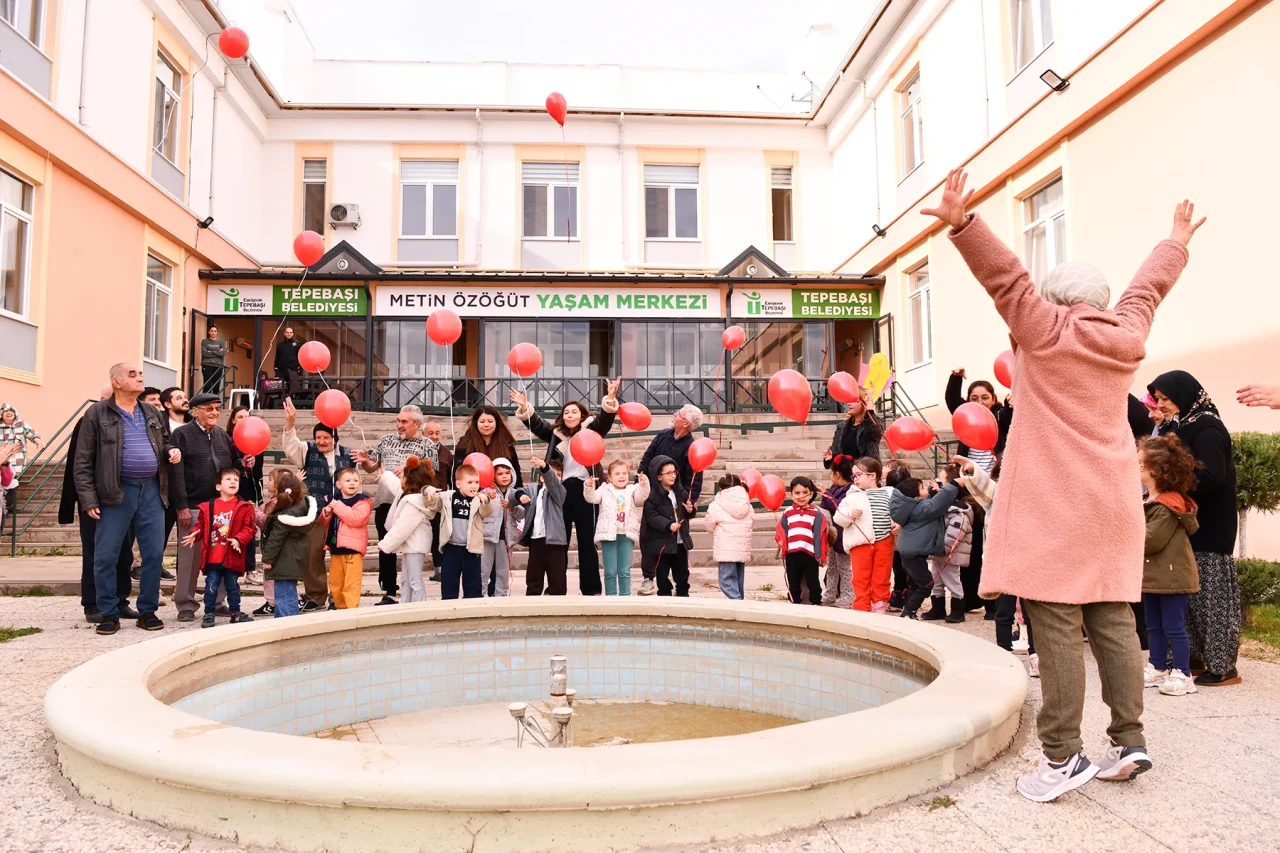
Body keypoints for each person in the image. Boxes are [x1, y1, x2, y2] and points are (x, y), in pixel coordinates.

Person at [923, 167, 1204, 801]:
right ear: (1100, 302)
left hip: (1054, 506)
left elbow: (1006, 279)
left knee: (1053, 628)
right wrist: (1177, 240)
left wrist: (964, 222)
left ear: (1053, 301)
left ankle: (1063, 757)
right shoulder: (1126, 337)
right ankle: (1130, 740)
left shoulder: (1043, 331)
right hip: (1111, 506)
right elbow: (1147, 290)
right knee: (1113, 623)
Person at [72, 363, 180, 635]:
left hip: (152, 491)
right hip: (114, 493)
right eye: (132, 374)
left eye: (140, 374)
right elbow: (82, 460)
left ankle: (147, 611)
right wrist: (88, 498)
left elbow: (164, 440)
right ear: (116, 382)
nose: (140, 377)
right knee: (105, 556)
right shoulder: (96, 414)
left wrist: (171, 450)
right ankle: (108, 613)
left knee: (154, 553)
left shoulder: (152, 412)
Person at [1148, 370, 1240, 687]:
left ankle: (1223, 665)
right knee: (1191, 596)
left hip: (1212, 523)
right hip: (1189, 520)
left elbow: (1212, 473)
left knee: (1213, 599)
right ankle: (1197, 657)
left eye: (1165, 398)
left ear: (1184, 395)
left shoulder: (1207, 426)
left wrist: (1173, 489)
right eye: (1157, 399)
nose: (1161, 405)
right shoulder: (1184, 425)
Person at [512, 379, 622, 596]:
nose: (570, 415)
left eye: (574, 412)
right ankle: (556, 587)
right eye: (566, 412)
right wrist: (525, 407)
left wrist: (609, 399)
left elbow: (604, 421)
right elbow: (538, 425)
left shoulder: (591, 430)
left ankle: (590, 588)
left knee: (586, 541)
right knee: (557, 542)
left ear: (582, 415)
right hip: (559, 492)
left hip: (585, 490)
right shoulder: (556, 434)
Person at [60, 383, 138, 623]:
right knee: (96, 554)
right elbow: (78, 465)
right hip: (96, 500)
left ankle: (120, 600)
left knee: (124, 553)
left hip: (123, 497)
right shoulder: (88, 423)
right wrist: (86, 500)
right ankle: (92, 604)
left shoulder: (126, 422)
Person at [954, 455, 1037, 674]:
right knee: (1004, 610)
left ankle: (1036, 655)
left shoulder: (1031, 494)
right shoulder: (995, 497)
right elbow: (990, 487)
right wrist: (973, 470)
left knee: (1031, 612)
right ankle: (1004, 652)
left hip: (1029, 559)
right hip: (1004, 560)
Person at [1138, 435, 1201, 697]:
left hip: (1173, 577)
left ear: (1157, 470)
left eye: (1140, 464)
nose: (1135, 467)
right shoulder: (1148, 499)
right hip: (1154, 576)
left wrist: (1124, 529)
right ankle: (1158, 665)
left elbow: (1150, 540)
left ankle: (1183, 673)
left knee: (1173, 626)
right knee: (1153, 624)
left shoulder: (1166, 505)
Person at [355, 404, 437, 605]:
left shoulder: (427, 444)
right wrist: (365, 461)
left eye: (404, 421)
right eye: (398, 420)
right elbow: (372, 467)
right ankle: (389, 591)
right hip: (386, 502)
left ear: (416, 424)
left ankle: (414, 598)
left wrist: (410, 469)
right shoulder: (386, 440)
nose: (399, 425)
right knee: (387, 547)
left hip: (412, 504)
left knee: (410, 549)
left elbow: (431, 472)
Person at [282, 398, 354, 611]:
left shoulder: (348, 454)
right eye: (318, 437)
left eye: (326, 437)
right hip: (314, 513)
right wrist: (290, 423)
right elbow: (290, 446)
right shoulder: (307, 450)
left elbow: (358, 476)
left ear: (335, 438)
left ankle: (338, 597)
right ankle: (315, 596)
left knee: (340, 558)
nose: (321, 441)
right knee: (313, 555)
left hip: (341, 514)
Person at [171, 393, 238, 622]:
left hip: (220, 507)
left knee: (219, 554)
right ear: (195, 410)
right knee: (189, 558)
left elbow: (232, 466)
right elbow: (175, 473)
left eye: (218, 409)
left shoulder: (222, 435)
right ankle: (185, 604)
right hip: (193, 506)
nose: (214, 413)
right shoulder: (182, 434)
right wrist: (181, 505)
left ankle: (217, 601)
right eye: (209, 408)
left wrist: (244, 463)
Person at [637, 405, 704, 595]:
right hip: (653, 493)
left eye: (678, 414)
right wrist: (640, 483)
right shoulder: (663, 435)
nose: (674, 415)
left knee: (677, 541)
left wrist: (691, 500)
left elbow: (695, 476)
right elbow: (646, 459)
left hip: (676, 496)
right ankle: (648, 577)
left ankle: (680, 586)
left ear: (686, 423)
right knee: (649, 536)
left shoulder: (692, 447)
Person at [181, 467, 256, 629]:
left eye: (236, 480)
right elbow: (202, 525)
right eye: (228, 479)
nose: (233, 482)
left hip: (232, 556)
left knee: (233, 587)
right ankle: (209, 613)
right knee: (211, 586)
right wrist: (195, 534)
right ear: (218, 486)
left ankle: (235, 613)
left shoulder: (244, 507)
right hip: (213, 556)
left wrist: (238, 539)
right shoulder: (208, 506)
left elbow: (249, 528)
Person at [889, 476, 959, 620]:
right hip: (913, 556)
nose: (925, 489)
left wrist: (934, 492)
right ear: (915, 496)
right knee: (926, 584)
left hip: (910, 555)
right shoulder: (921, 508)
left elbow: (931, 503)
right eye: (922, 488)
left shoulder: (910, 507)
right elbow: (937, 505)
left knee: (915, 584)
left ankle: (908, 612)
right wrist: (953, 484)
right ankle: (908, 611)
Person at [377, 455, 438, 604]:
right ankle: (407, 604)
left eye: (403, 477)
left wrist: (385, 544)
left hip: (415, 545)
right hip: (411, 545)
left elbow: (402, 528)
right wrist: (385, 475)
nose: (400, 480)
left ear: (411, 480)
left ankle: (418, 607)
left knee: (414, 580)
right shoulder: (409, 495)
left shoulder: (413, 502)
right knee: (406, 579)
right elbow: (395, 486)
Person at [429, 462, 494, 599]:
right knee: (449, 583)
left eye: (476, 482)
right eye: (469, 482)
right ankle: (448, 612)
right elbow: (433, 503)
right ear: (459, 484)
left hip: (471, 549)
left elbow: (487, 511)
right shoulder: (448, 497)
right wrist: (427, 490)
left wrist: (486, 500)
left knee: (473, 586)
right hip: (451, 547)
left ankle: (472, 612)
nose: (474, 485)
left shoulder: (478, 499)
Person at [585, 459, 649, 596]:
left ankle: (625, 596)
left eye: (624, 473)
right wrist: (589, 486)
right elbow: (592, 498)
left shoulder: (633, 490)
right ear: (609, 477)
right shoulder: (604, 489)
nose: (621, 476)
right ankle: (611, 597)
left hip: (626, 535)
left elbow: (641, 498)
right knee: (610, 571)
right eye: (617, 473)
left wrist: (644, 484)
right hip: (608, 535)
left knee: (625, 570)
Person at [260, 469, 318, 618]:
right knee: (286, 594)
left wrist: (267, 559)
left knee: (285, 596)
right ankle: (280, 624)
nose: (269, 482)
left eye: (271, 480)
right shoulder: (301, 506)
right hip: (295, 557)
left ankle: (288, 627)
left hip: (284, 560)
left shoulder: (283, 516)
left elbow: (275, 539)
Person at [923, 467, 973, 624]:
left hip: (949, 552)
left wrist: (943, 548)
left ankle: (958, 609)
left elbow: (955, 535)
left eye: (942, 481)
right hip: (939, 551)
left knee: (952, 579)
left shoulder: (959, 511)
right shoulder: (944, 507)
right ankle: (938, 607)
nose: (938, 483)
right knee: (936, 579)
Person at [641, 455, 696, 597]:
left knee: (682, 573)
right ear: (659, 476)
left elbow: (686, 511)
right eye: (668, 473)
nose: (673, 476)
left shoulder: (679, 491)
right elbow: (651, 516)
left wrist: (690, 510)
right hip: (662, 543)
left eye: (674, 472)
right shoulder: (652, 495)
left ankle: (683, 594)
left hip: (679, 541)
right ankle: (664, 596)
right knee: (662, 574)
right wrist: (668, 525)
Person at [321, 467, 373, 610]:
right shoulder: (334, 501)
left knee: (351, 584)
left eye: (355, 480)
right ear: (339, 485)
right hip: (336, 548)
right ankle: (341, 609)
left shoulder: (363, 501)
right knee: (335, 584)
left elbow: (355, 519)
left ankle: (351, 611)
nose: (352, 483)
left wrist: (336, 506)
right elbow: (323, 523)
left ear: (360, 483)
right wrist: (326, 513)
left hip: (352, 549)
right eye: (348, 480)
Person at [776, 477, 830, 607]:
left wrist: (821, 555)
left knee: (813, 580)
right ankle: (795, 601)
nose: (801, 496)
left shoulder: (816, 513)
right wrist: (781, 541)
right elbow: (781, 530)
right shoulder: (788, 512)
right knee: (793, 579)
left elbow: (820, 535)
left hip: (809, 553)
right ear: (791, 495)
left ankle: (816, 601)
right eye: (797, 493)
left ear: (811, 494)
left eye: (805, 492)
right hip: (792, 553)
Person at [853, 457, 897, 613]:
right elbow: (840, 516)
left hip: (884, 539)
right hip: (862, 541)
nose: (855, 479)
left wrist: (898, 523)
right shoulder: (853, 494)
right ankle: (861, 606)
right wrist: (850, 514)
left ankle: (880, 604)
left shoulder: (890, 492)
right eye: (854, 476)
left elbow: (898, 511)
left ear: (872, 475)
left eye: (858, 475)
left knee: (882, 574)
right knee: (861, 575)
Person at [226, 406, 264, 584]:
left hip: (248, 490)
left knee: (248, 531)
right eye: (239, 416)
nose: (243, 419)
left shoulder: (256, 439)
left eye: (247, 416)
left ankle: (250, 569)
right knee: (231, 530)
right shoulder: (227, 440)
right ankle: (233, 569)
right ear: (233, 420)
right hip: (231, 489)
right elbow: (226, 464)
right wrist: (241, 464)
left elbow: (258, 473)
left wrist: (253, 463)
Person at [704, 473, 753, 600]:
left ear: (721, 488)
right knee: (738, 579)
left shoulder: (717, 504)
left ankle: (736, 601)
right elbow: (752, 520)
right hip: (741, 548)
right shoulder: (747, 503)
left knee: (726, 581)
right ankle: (739, 601)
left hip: (726, 548)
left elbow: (709, 526)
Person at [481, 458, 525, 597]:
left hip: (506, 538)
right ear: (493, 475)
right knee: (483, 570)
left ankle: (501, 597)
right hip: (487, 536)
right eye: (500, 474)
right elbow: (478, 509)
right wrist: (487, 497)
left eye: (507, 473)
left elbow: (522, 514)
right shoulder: (487, 491)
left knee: (503, 571)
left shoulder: (516, 493)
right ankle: (479, 596)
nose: (504, 476)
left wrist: (511, 507)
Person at [452, 404, 522, 487]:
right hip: (473, 493)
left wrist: (518, 494)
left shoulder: (506, 443)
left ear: (496, 422)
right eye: (482, 422)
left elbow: (515, 470)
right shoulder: (465, 444)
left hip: (501, 494)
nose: (486, 425)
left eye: (490, 421)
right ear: (476, 423)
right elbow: (458, 471)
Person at [422, 420, 453, 581]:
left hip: (441, 500)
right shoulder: (418, 451)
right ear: (423, 435)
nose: (434, 437)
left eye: (437, 433)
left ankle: (440, 569)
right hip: (421, 499)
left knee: (439, 535)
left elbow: (451, 478)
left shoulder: (447, 453)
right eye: (430, 433)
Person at [823, 389, 882, 470]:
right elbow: (836, 451)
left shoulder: (872, 424)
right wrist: (831, 456)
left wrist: (870, 403)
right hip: (846, 475)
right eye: (848, 401)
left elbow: (874, 432)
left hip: (865, 474)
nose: (849, 404)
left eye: (854, 401)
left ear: (864, 404)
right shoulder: (842, 427)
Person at [0, 403, 42, 516]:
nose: (9, 413)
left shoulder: (21, 424)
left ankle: (7, 507)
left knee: (11, 484)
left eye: (11, 411)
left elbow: (32, 434)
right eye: (6, 411)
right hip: (2, 461)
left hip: (17, 462)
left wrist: (38, 441)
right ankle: (4, 508)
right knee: (3, 485)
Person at [274, 326, 304, 398]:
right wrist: (276, 369)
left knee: (293, 389)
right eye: (287, 332)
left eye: (290, 332)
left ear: (293, 334)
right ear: (284, 333)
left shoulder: (297, 345)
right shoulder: (279, 345)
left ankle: (292, 403)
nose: (289, 334)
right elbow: (277, 357)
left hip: (292, 370)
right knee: (280, 389)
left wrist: (299, 368)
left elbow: (300, 357)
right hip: (281, 370)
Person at [201, 325, 227, 398]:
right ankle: (205, 401)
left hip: (218, 366)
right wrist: (217, 352)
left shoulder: (221, 342)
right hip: (207, 365)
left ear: (217, 333)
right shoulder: (205, 341)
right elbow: (204, 353)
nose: (213, 332)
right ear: (209, 332)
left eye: (215, 331)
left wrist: (211, 351)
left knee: (216, 385)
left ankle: (214, 401)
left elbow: (222, 354)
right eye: (212, 331)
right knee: (207, 385)